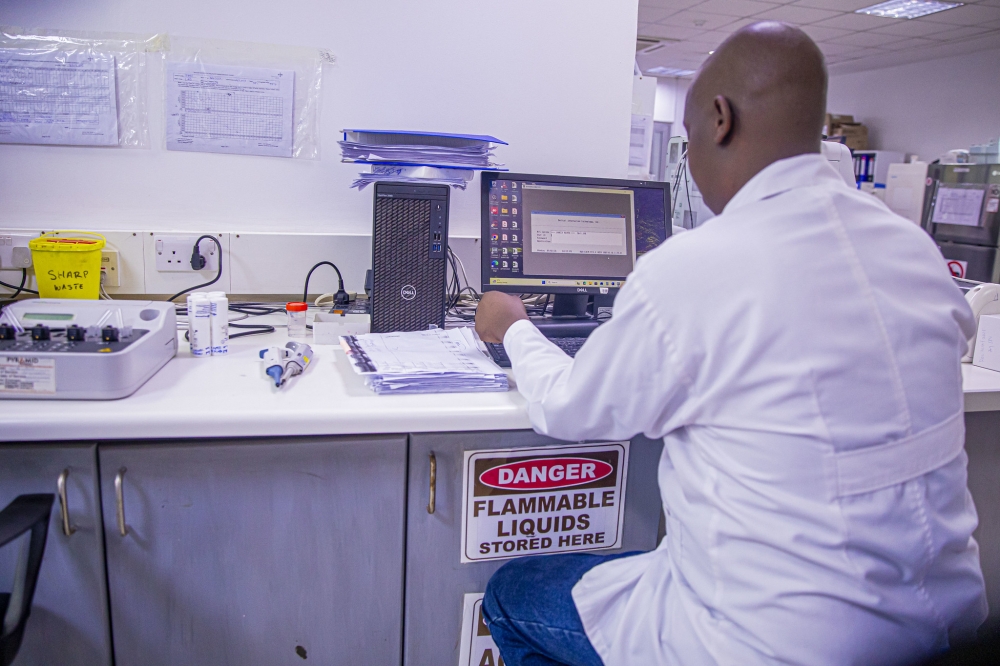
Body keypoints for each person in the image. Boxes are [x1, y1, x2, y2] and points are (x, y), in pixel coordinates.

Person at [474, 21, 987, 666]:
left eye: (688, 140)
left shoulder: (696, 268)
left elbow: (572, 409)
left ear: (720, 119)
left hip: (766, 644)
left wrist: (513, 327)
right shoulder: (912, 249)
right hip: (946, 631)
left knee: (513, 593)